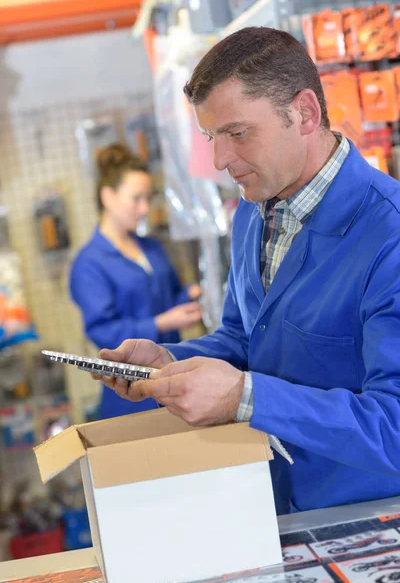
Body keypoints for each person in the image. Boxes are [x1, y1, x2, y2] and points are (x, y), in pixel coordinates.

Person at [92, 28, 400, 515]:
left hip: (367, 525)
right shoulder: (252, 216)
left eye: (237, 133)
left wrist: (246, 397)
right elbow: (243, 340)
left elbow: (395, 427)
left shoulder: (390, 237)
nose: (220, 160)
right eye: (212, 137)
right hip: (270, 507)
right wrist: (171, 360)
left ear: (304, 113)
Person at [70, 143, 202, 419]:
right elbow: (103, 332)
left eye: (148, 199)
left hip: (171, 378)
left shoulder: (152, 248)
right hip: (129, 393)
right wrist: (161, 323)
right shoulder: (89, 264)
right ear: (108, 196)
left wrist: (193, 295)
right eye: (136, 198)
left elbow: (171, 298)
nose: (144, 209)